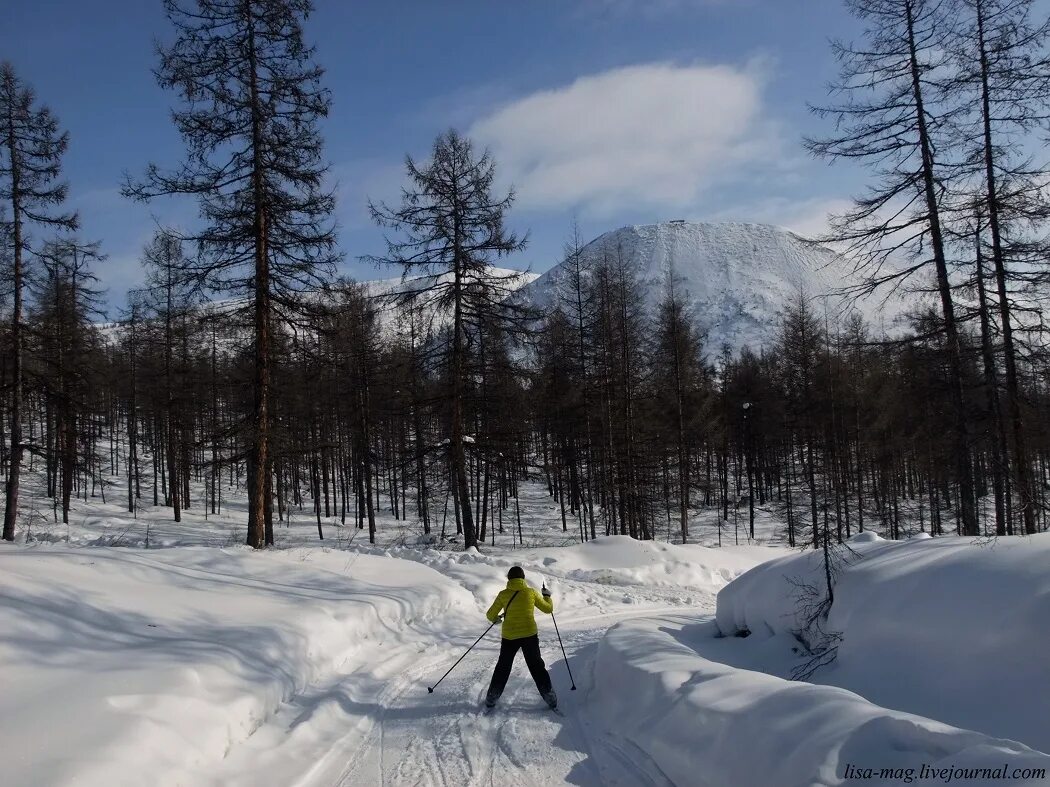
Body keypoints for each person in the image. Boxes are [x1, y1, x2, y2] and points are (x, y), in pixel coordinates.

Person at [484, 565, 557, 709]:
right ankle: (550, 697)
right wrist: (547, 596)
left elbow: (490, 615)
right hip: (529, 634)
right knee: (536, 666)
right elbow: (548, 609)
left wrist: (497, 619)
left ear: (509, 579)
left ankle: (492, 697)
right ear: (523, 578)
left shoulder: (503, 594)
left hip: (509, 636)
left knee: (503, 667)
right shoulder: (531, 593)